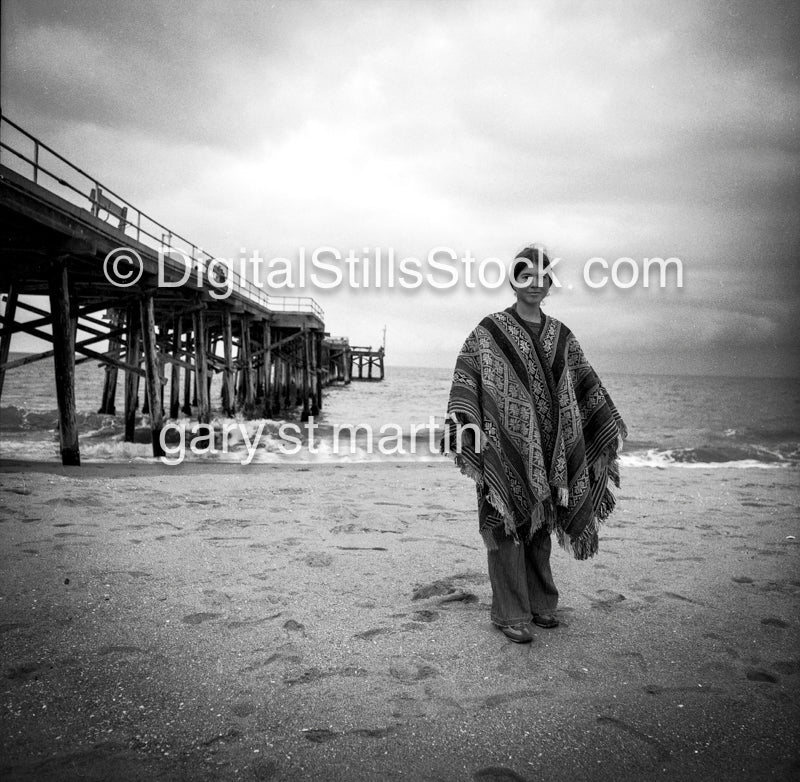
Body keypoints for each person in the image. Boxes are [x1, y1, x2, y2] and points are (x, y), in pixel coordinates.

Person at [441, 244, 627, 644]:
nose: (534, 284)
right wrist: (471, 428)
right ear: (513, 280)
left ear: (550, 284)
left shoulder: (562, 335)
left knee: (541, 521)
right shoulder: (490, 330)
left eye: (542, 278)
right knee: (504, 522)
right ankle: (509, 613)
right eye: (526, 276)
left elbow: (584, 383)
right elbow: (466, 373)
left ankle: (542, 604)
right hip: (501, 446)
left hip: (550, 448)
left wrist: (602, 426)